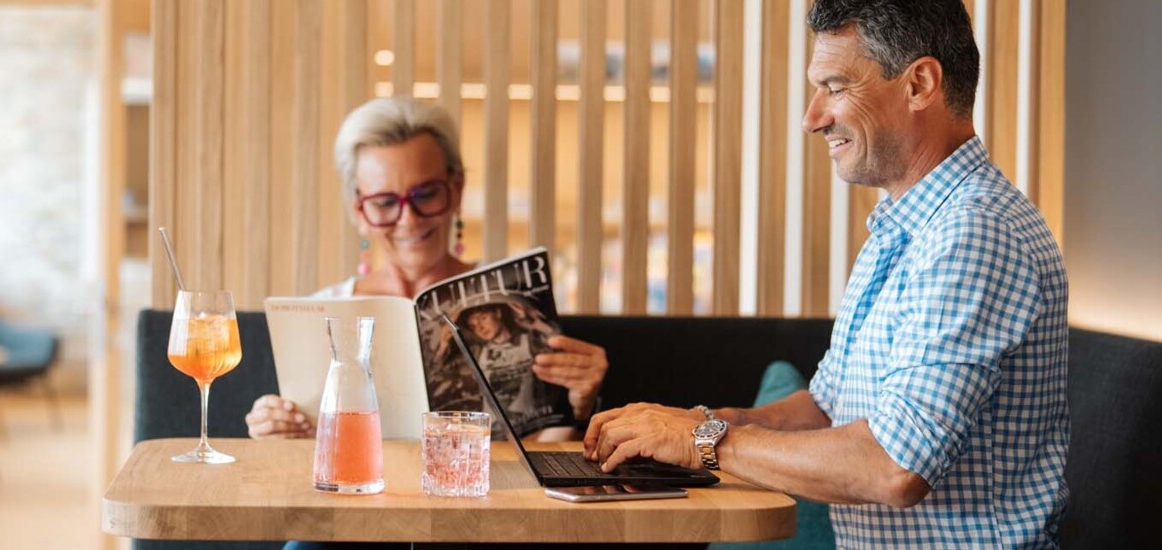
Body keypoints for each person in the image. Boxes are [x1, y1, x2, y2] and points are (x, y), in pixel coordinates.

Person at [582, 0, 1070, 547]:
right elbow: (824, 410)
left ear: (920, 84)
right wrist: (684, 423)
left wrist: (703, 438)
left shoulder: (975, 232)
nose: (812, 117)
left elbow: (894, 467)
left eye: (835, 86)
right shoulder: (903, 228)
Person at [246, 98, 611, 442]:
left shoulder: (517, 300)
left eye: (426, 194)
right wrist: (279, 431)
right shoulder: (322, 312)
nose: (408, 219)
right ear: (360, 212)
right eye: (385, 202)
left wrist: (579, 408)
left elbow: (542, 453)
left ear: (456, 190)